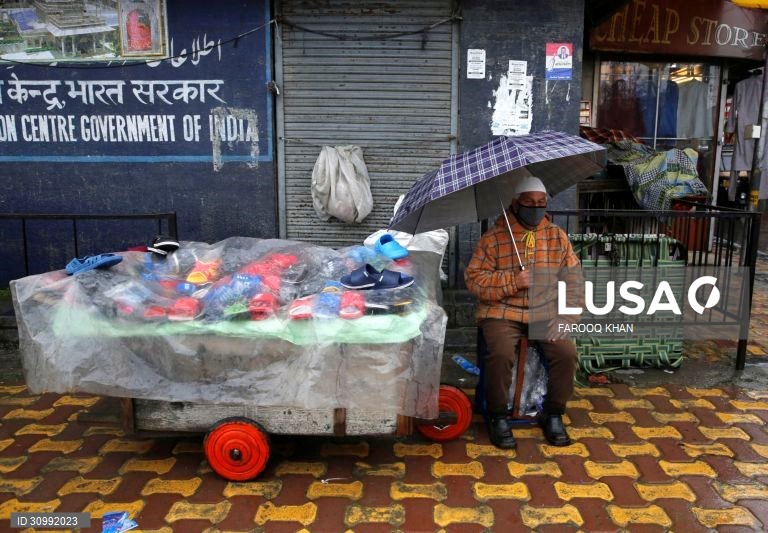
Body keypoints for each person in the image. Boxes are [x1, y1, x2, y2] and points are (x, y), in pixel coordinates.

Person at [464, 176, 583, 449]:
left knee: (566, 353)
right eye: (529, 203)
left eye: (541, 203)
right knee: (501, 352)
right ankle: (497, 416)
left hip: (544, 312)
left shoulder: (557, 237)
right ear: (515, 204)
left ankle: (553, 413)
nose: (536, 208)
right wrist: (512, 281)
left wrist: (566, 317)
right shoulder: (494, 238)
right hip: (502, 311)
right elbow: (473, 279)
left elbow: (574, 281)